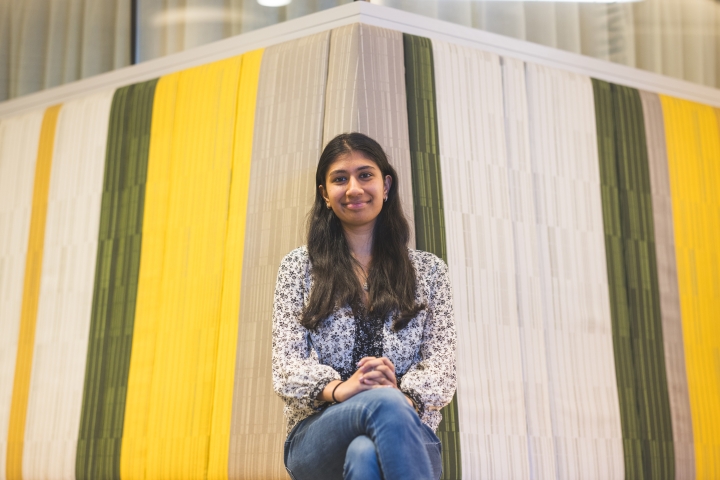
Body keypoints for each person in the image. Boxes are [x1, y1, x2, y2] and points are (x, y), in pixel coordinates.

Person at [272, 132, 457, 480]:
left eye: (365, 175)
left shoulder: (429, 272)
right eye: (340, 179)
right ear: (325, 194)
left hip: (411, 433)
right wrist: (344, 389)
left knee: (365, 453)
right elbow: (286, 365)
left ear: (386, 185)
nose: (354, 188)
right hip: (318, 434)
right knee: (384, 405)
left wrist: (402, 393)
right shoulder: (298, 268)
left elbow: (441, 370)